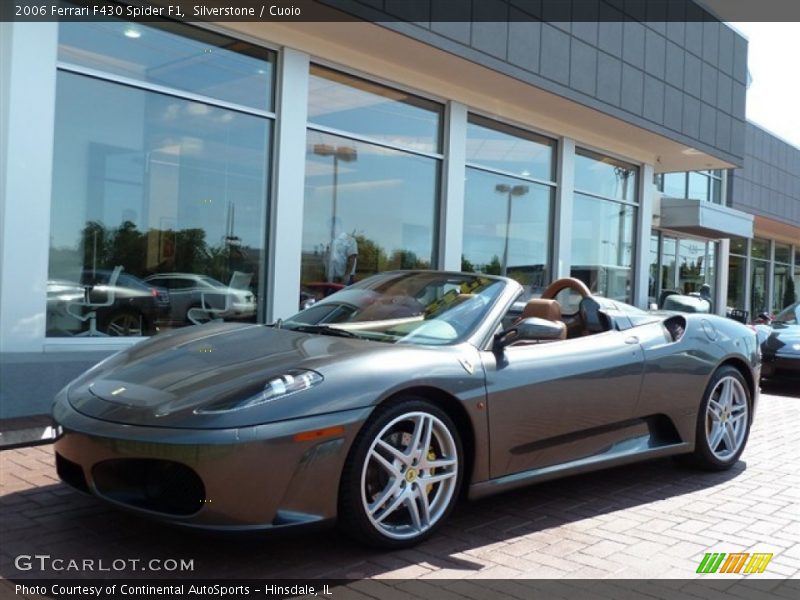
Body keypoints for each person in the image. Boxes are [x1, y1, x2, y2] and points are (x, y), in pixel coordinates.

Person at [326, 218, 358, 284]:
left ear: (339, 227)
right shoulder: (331, 241)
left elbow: (352, 258)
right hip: (332, 277)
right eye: (330, 227)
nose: (331, 229)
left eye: (333, 227)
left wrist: (347, 275)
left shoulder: (349, 240)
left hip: (344, 276)